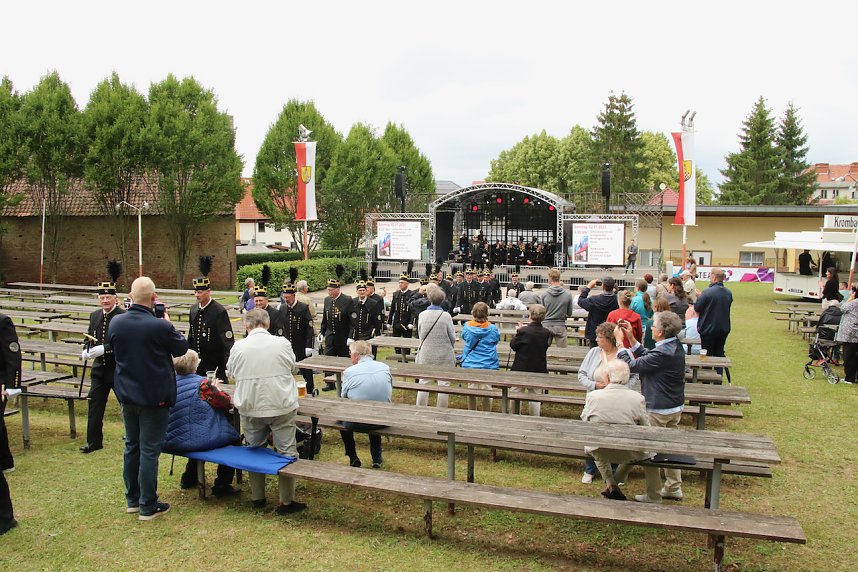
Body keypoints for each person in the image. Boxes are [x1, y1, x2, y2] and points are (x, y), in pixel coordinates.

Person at [108, 277, 189, 520]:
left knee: (131, 446)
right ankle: (147, 504)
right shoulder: (159, 326)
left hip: (127, 394)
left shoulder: (116, 322)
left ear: (130, 297)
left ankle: (132, 499)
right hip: (154, 397)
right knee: (149, 450)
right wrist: (167, 322)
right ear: (154, 299)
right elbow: (182, 348)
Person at [227, 309, 306, 515]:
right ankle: (286, 500)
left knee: (254, 448)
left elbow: (231, 371)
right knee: (287, 450)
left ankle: (257, 496)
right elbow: (293, 368)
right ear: (268, 324)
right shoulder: (282, 343)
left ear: (247, 325)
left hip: (250, 405)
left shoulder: (239, 347)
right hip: (280, 404)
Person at [614, 311, 686, 503]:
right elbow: (648, 357)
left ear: (661, 332)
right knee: (669, 448)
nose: (651, 328)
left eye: (653, 326)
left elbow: (632, 365)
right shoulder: (673, 346)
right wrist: (631, 337)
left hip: (658, 408)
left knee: (650, 451)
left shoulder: (663, 352)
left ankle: (653, 495)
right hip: (673, 406)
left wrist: (620, 343)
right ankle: (673, 487)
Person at [581, 360, 662, 503]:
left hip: (599, 449)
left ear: (606, 377)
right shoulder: (638, 398)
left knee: (596, 444)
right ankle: (654, 496)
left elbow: (584, 420)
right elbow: (645, 427)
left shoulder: (593, 396)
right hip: (628, 451)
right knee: (650, 452)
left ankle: (611, 483)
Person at [166, 350, 240, 496]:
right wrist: (216, 389)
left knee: (193, 430)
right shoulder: (203, 385)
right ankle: (222, 484)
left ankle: (189, 476)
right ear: (195, 365)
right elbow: (225, 402)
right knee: (233, 438)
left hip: (170, 437)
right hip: (195, 438)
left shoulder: (167, 382)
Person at [577, 322, 640, 484]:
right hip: (595, 399)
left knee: (616, 434)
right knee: (593, 433)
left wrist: (621, 387)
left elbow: (634, 375)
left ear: (610, 339)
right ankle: (589, 469)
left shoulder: (624, 354)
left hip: (618, 401)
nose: (597, 340)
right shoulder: (593, 353)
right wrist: (595, 385)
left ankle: (614, 471)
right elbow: (582, 374)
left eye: (600, 337)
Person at [79, 278, 125, 454]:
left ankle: (131, 435)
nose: (105, 301)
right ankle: (94, 441)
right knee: (95, 405)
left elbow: (124, 342)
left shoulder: (122, 316)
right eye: (102, 297)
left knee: (126, 404)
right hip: (99, 370)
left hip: (117, 369)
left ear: (115, 298)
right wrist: (86, 349)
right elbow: (88, 337)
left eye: (108, 297)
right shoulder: (95, 316)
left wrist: (105, 349)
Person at [339, 340, 393, 468]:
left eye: (350, 353)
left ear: (356, 355)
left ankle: (352, 456)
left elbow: (343, 397)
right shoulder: (385, 367)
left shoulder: (349, 372)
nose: (349, 355)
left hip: (358, 421)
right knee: (374, 406)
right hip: (384, 419)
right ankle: (376, 456)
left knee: (342, 414)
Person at [415, 286, 456, 408]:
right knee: (443, 383)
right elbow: (452, 337)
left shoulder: (422, 315)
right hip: (443, 353)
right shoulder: (446, 316)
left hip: (426, 352)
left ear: (429, 299)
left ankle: (421, 407)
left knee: (424, 381)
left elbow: (420, 334)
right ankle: (441, 409)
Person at [189, 275, 234, 382]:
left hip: (215, 364)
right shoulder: (193, 309)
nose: (196, 295)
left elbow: (227, 340)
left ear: (208, 291)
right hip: (198, 364)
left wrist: (227, 365)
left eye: (200, 292)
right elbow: (191, 336)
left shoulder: (219, 311)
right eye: (195, 292)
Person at [0, 313, 21, 534]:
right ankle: (6, 460)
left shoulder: (2, 321)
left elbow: (13, 354)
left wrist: (11, 385)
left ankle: (5, 518)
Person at [509, 304, 551, 417]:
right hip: (538, 366)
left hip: (521, 366)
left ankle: (514, 415)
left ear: (530, 315)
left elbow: (513, 345)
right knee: (535, 395)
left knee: (516, 392)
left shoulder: (524, 331)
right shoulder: (546, 332)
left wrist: (518, 331)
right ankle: (534, 416)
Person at [460, 302, 500, 412]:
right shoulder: (492, 328)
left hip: (471, 361)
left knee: (472, 386)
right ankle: (487, 410)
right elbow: (496, 340)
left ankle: (471, 409)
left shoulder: (467, 326)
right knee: (487, 387)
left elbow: (464, 337)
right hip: (488, 361)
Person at [279, 282, 316, 394]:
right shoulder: (283, 308)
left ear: (294, 296)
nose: (286, 300)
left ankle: (310, 389)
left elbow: (309, 327)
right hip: (287, 345)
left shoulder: (303, 307)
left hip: (300, 345)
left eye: (288, 297)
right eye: (284, 297)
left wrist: (309, 346)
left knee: (305, 369)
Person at [694, 267, 733, 365]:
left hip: (708, 328)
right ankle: (718, 375)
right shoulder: (728, 293)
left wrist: (700, 298)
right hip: (723, 328)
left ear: (714, 278)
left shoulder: (707, 292)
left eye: (710, 276)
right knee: (719, 353)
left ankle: (707, 377)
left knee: (706, 354)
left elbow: (697, 308)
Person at [320, 277, 352, 390]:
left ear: (337, 289)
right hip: (330, 335)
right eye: (328, 290)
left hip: (342, 336)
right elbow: (325, 317)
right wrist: (322, 331)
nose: (329, 292)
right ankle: (329, 382)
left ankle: (346, 382)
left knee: (344, 359)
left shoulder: (347, 300)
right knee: (328, 358)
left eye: (330, 290)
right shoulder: (327, 300)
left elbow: (351, 320)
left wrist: (350, 336)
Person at [578, 277, 620, 347]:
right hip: (612, 332)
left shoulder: (594, 300)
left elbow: (581, 301)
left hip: (595, 333)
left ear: (602, 286)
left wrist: (588, 287)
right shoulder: (617, 300)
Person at [542, 268, 576, 347]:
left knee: (543, 350)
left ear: (550, 278)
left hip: (546, 324)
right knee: (562, 353)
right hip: (560, 324)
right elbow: (569, 313)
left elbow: (542, 311)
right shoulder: (567, 294)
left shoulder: (545, 294)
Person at [348, 281, 383, 345]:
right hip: (356, 334)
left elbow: (377, 320)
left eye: (364, 290)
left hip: (368, 334)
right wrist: (350, 336)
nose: (362, 292)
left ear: (366, 291)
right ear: (357, 292)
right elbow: (350, 320)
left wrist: (376, 333)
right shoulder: (353, 302)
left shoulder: (373, 303)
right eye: (360, 290)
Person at [835, 289, 858, 383]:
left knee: (849, 357)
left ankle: (850, 378)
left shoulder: (855, 302)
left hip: (850, 333)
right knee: (855, 356)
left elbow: (842, 308)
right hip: (854, 333)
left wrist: (850, 298)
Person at [388, 273, 414, 354]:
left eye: (402, 283)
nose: (400, 284)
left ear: (407, 283)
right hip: (397, 322)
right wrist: (389, 322)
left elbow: (413, 310)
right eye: (399, 283)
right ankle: (398, 357)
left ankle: (406, 358)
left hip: (406, 323)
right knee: (396, 343)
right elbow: (392, 308)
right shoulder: (396, 294)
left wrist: (411, 322)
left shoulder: (411, 294)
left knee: (407, 343)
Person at [630, 279, 654, 349]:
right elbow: (651, 314)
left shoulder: (634, 300)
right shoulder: (651, 300)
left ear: (637, 288)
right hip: (647, 328)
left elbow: (630, 312)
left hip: (636, 327)